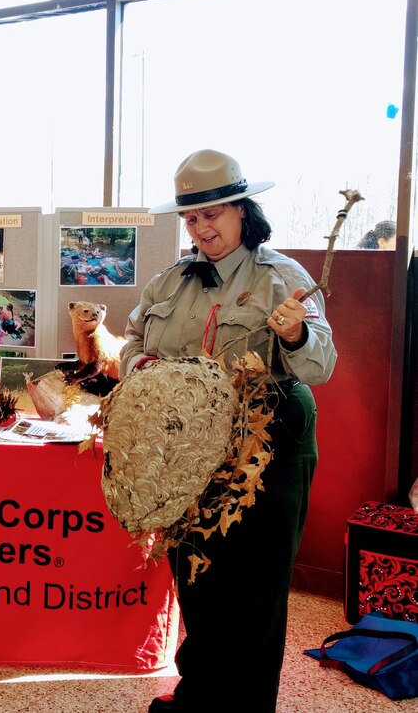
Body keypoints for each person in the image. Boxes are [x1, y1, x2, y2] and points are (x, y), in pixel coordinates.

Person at [124, 149, 337, 713]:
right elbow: (133, 346)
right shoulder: (169, 282)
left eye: (213, 213)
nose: (202, 228)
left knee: (256, 592)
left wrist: (294, 337)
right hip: (187, 451)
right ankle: (199, 698)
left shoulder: (283, 279)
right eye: (191, 218)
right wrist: (143, 370)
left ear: (243, 211)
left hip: (268, 447)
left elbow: (321, 368)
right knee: (196, 577)